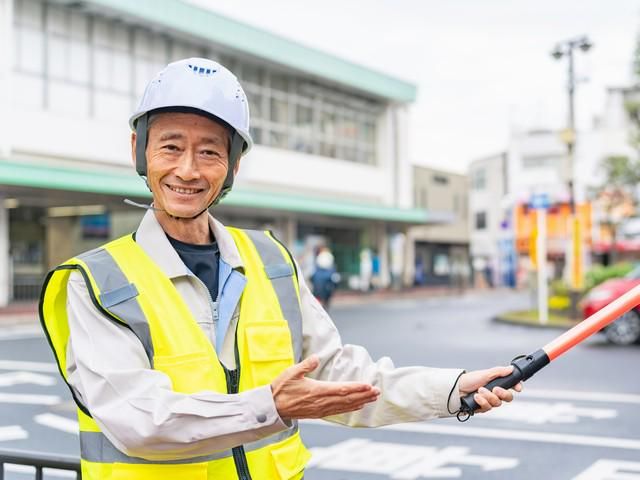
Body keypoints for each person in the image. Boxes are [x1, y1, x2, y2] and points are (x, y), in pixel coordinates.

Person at [40, 58, 521, 480]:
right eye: (170, 147)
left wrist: (452, 390)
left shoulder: (270, 261)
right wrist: (269, 406)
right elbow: (139, 421)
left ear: (232, 167)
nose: (187, 169)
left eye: (210, 151)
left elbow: (340, 375)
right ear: (138, 150)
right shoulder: (94, 282)